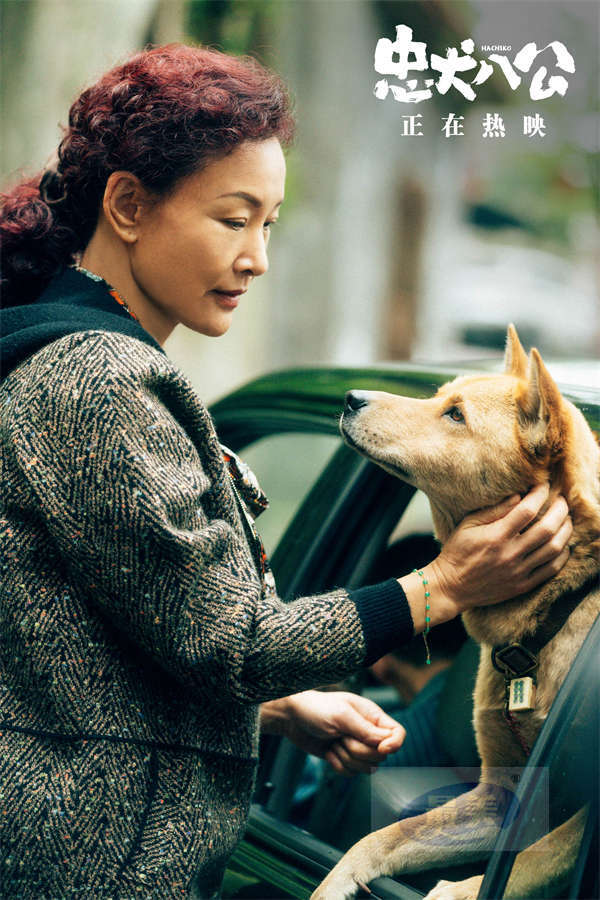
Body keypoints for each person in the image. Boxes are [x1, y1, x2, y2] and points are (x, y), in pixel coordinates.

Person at [0, 44, 572, 899]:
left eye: (268, 224)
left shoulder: (73, 358)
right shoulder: (99, 380)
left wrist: (277, 708)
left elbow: (97, 648)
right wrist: (444, 586)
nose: (257, 258)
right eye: (234, 220)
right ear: (127, 205)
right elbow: (231, 643)